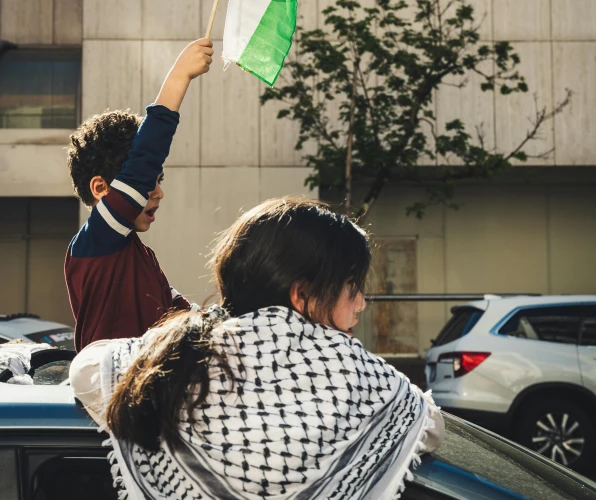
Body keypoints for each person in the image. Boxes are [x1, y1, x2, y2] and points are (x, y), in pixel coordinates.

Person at [70, 197, 445, 500]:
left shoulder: (186, 357)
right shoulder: (351, 375)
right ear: (303, 296)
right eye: (352, 287)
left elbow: (88, 369)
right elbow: (428, 426)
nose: (361, 304)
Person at [65, 38, 213, 351]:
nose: (158, 192)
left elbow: (187, 319)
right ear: (101, 189)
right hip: (109, 397)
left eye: (159, 180)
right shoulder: (97, 243)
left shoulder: (145, 259)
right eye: (148, 182)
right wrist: (180, 76)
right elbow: (146, 155)